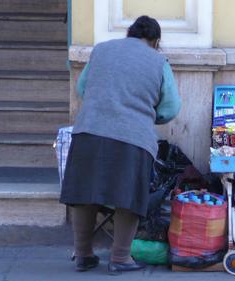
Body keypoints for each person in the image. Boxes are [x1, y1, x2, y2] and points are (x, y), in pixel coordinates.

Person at [60, 15, 181, 275]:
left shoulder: (102, 50)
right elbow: (170, 107)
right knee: (128, 197)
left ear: (130, 33)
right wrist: (148, 115)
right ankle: (120, 258)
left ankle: (83, 255)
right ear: (156, 41)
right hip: (132, 139)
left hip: (88, 132)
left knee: (84, 194)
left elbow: (83, 88)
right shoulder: (159, 62)